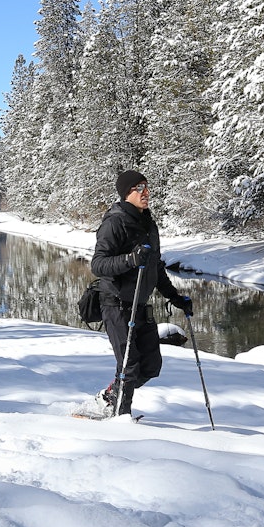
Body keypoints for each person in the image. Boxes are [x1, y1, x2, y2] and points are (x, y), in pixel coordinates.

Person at [89, 169, 192, 418]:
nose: (146, 192)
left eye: (146, 187)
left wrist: (174, 297)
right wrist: (130, 260)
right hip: (116, 304)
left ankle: (111, 395)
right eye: (139, 188)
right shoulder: (115, 222)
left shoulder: (149, 224)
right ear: (127, 193)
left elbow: (155, 266)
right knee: (129, 364)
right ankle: (121, 417)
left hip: (140, 305)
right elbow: (98, 264)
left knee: (151, 366)